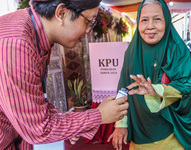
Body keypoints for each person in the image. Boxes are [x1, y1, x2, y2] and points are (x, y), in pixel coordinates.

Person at [0, 0, 130, 149]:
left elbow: (32, 101)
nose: (89, 30)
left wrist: (70, 124)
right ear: (61, 13)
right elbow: (39, 130)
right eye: (89, 21)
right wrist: (99, 115)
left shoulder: (35, 33)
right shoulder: (16, 44)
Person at [108, 0, 191, 150]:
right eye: (144, 20)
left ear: (167, 20)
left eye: (157, 19)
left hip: (172, 131)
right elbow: (123, 87)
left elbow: (185, 85)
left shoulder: (178, 50)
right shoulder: (131, 53)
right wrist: (121, 123)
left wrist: (156, 90)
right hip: (140, 132)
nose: (150, 26)